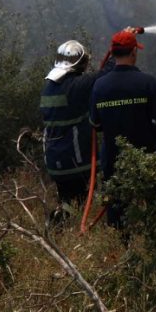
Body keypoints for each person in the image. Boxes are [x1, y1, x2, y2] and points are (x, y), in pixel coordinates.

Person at [89, 29, 156, 228]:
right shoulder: (148, 83)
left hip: (114, 162)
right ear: (134, 52)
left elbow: (95, 124)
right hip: (149, 159)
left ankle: (122, 249)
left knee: (117, 214)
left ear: (113, 53)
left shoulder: (99, 87)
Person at [40, 38, 115, 221]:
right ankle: (59, 225)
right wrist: (117, 49)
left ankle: (58, 222)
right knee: (80, 200)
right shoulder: (75, 86)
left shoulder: (49, 87)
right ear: (80, 63)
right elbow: (106, 73)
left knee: (70, 200)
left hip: (55, 160)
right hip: (75, 159)